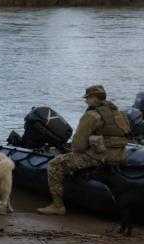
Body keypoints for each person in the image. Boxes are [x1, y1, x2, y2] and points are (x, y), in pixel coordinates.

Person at [38, 85, 130, 215]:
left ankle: (57, 206)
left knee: (55, 164)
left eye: (87, 98)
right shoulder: (119, 113)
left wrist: (76, 150)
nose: (86, 101)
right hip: (120, 155)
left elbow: (78, 146)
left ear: (94, 98)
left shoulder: (92, 115)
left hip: (98, 157)